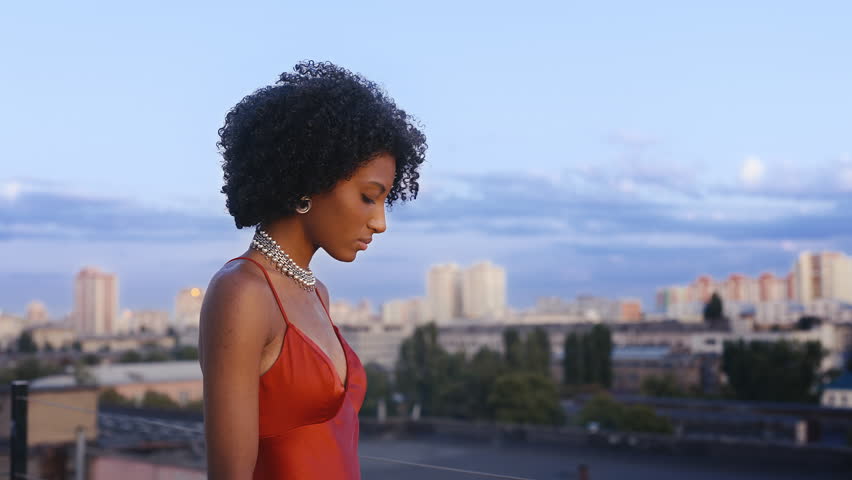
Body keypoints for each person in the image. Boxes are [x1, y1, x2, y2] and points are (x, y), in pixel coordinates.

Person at [199, 60, 427, 479]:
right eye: (368, 197)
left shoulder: (316, 292)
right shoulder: (243, 293)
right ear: (309, 181)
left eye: (384, 201)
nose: (381, 222)